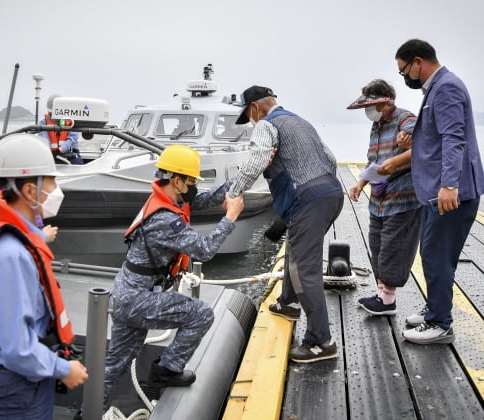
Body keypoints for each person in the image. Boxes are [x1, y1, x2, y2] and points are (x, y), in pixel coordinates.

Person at [0, 134, 88, 418]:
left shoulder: (13, 238)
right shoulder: (11, 256)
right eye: (51, 182)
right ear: (30, 191)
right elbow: (17, 348)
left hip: (24, 383)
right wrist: (64, 369)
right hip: (16, 390)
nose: (56, 190)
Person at [104, 144, 244, 398]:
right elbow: (204, 250)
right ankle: (167, 370)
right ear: (177, 181)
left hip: (126, 294)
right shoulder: (166, 219)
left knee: (115, 364)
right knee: (201, 314)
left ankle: (86, 412)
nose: (194, 186)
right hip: (139, 299)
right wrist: (230, 218)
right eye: (191, 181)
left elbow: (202, 200)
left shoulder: (164, 198)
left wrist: (244, 177)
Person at [230, 85, 344, 363]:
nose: (252, 121)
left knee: (303, 269)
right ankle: (288, 302)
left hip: (308, 200)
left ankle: (320, 342)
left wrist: (234, 193)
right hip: (332, 192)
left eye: (249, 115)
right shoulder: (300, 121)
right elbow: (330, 159)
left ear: (255, 107)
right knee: (295, 247)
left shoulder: (266, 126)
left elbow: (256, 161)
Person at [395, 39, 484, 344]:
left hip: (450, 193)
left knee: (435, 256)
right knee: (435, 254)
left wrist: (450, 185)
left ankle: (440, 323)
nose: (405, 77)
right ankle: (435, 308)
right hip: (442, 191)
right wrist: (415, 136)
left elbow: (453, 138)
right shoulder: (439, 87)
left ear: (418, 62)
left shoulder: (446, 87)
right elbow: (438, 131)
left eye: (404, 70)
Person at [346, 79, 422, 316]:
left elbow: (426, 145)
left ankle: (388, 301)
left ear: (386, 102)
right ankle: (382, 295)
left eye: (372, 106)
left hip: (403, 196)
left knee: (394, 246)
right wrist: (360, 183)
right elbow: (373, 161)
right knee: (377, 243)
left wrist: (400, 154)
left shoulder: (405, 119)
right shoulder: (377, 126)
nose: (369, 112)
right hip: (379, 199)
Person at [38, 93, 83, 164]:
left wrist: (59, 150)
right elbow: (44, 139)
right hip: (51, 156)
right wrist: (51, 152)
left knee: (78, 162)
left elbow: (72, 140)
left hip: (71, 153)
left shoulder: (71, 122)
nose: (52, 116)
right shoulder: (43, 123)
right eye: (50, 113)